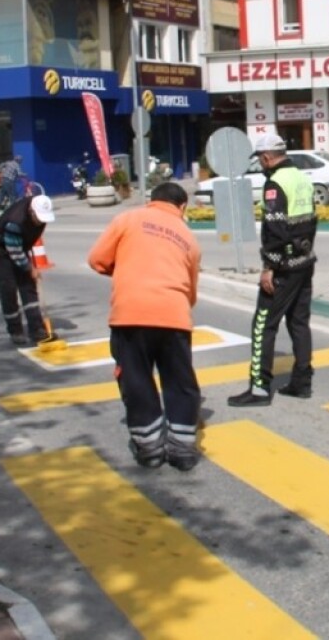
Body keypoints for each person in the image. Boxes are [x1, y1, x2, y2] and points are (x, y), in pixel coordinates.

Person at [87, 182, 203, 469]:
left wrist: (126, 271)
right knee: (180, 381)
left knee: (136, 378)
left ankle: (150, 447)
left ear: (152, 201)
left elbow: (97, 260)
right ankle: (183, 449)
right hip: (174, 316)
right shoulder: (189, 238)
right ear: (183, 207)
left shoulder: (127, 219)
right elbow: (190, 291)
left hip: (130, 314)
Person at [229, 133, 319, 407]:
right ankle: (302, 383)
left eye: (259, 159)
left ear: (266, 157)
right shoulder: (302, 178)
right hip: (305, 263)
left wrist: (269, 266)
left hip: (283, 267)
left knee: (263, 325)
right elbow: (311, 221)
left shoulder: (275, 184)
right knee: (299, 323)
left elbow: (276, 230)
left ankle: (259, 388)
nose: (260, 163)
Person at [0, 193, 54, 346]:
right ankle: (15, 330)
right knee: (8, 287)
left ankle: (37, 329)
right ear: (31, 211)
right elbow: (14, 252)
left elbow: (27, 243)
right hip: (0, 249)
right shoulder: (15, 221)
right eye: (39, 217)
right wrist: (30, 268)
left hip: (20, 246)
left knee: (28, 286)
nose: (41, 222)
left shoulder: (40, 215)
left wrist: (30, 267)